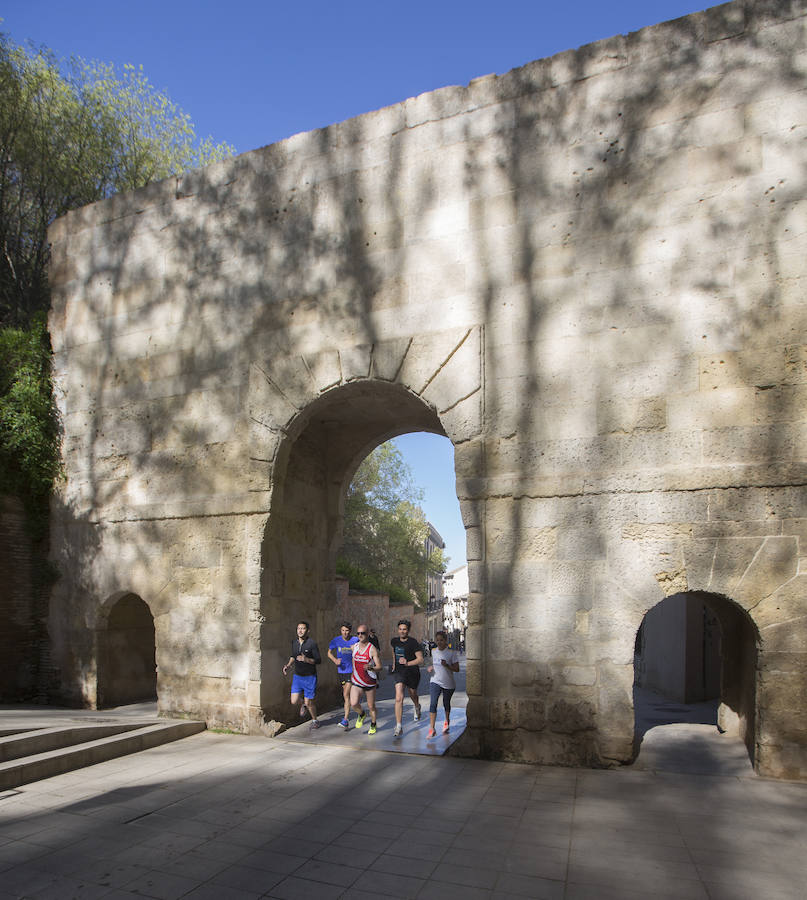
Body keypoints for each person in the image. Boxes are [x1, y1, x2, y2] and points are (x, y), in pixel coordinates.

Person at [282, 621, 321, 729]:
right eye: (298, 628)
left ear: (308, 631)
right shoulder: (294, 642)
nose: (300, 630)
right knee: (294, 701)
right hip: (297, 676)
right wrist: (288, 665)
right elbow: (293, 656)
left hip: (310, 677)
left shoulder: (312, 644)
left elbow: (318, 660)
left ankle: (315, 720)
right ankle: (302, 703)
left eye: (303, 628)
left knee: (309, 703)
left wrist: (306, 659)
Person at [390, 618, 424, 738]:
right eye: (400, 629)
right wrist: (394, 665)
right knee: (399, 697)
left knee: (412, 693)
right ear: (398, 630)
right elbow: (394, 653)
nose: (402, 631)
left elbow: (420, 659)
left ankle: (416, 706)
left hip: (412, 672)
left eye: (404, 629)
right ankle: (399, 726)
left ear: (408, 630)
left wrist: (407, 663)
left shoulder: (413, 643)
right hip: (400, 672)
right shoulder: (394, 641)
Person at [349, 624, 382, 735]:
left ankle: (373, 723)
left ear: (367, 634)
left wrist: (370, 667)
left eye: (362, 633)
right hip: (357, 681)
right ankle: (362, 714)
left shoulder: (372, 649)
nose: (360, 635)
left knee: (371, 706)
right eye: (358, 633)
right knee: (353, 703)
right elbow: (351, 658)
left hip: (369, 682)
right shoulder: (354, 647)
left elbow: (379, 667)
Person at [427, 630, 460, 737]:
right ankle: (432, 728)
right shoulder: (433, 651)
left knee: (446, 703)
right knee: (433, 703)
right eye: (437, 640)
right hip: (435, 680)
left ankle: (447, 721)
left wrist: (447, 666)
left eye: (441, 640)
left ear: (446, 641)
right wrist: (431, 667)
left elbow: (457, 669)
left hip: (448, 683)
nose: (439, 642)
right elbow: (432, 663)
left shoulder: (451, 653)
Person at [327, 621, 358, 729]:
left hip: (351, 671)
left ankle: (345, 719)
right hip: (341, 672)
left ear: (350, 631)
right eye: (343, 630)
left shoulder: (355, 640)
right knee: (346, 696)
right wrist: (335, 660)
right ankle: (354, 706)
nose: (345, 633)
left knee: (345, 694)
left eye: (347, 631)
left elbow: (362, 649)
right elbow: (329, 653)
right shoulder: (336, 640)